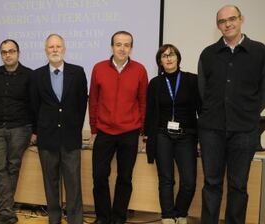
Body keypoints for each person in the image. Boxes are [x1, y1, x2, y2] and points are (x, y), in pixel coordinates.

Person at [198, 5, 265, 224]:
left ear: (241, 19)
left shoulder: (260, 51)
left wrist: (248, 112)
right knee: (211, 183)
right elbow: (204, 91)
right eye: (222, 21)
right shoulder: (208, 54)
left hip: (245, 131)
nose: (227, 24)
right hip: (212, 130)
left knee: (238, 185)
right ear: (218, 26)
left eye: (232, 19)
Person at [89, 31, 148, 224]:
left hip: (130, 133)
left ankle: (118, 218)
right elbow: (94, 101)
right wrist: (93, 130)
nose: (122, 48)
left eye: (126, 45)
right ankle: (103, 218)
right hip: (104, 131)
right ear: (112, 46)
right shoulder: (98, 68)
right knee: (99, 177)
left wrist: (141, 133)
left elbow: (143, 103)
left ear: (131, 47)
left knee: (124, 178)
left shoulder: (140, 70)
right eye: (118, 44)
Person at [30, 34, 88, 224]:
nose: (54, 50)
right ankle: (54, 219)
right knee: (50, 184)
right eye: (51, 47)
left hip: (70, 138)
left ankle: (75, 220)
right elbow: (34, 106)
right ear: (46, 50)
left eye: (58, 46)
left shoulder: (77, 72)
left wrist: (74, 127)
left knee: (73, 184)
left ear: (64, 49)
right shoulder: (37, 75)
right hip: (47, 139)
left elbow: (81, 104)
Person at [144, 44, 200, 224]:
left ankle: (180, 213)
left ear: (178, 57)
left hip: (187, 135)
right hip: (162, 135)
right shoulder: (155, 83)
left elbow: (201, 110)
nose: (168, 58)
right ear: (159, 61)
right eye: (164, 56)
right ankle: (167, 216)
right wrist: (146, 136)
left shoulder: (192, 80)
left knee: (189, 181)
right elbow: (150, 112)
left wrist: (202, 138)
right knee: (166, 179)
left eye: (171, 54)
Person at [0, 39, 33, 224]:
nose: (8, 54)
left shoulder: (30, 75)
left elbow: (34, 105)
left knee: (13, 167)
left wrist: (35, 131)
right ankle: (7, 211)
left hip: (21, 128)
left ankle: (4, 211)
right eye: (4, 52)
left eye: (11, 51)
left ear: (18, 53)